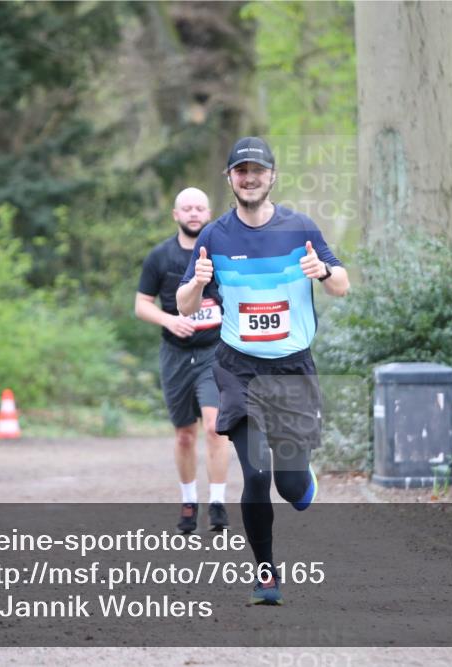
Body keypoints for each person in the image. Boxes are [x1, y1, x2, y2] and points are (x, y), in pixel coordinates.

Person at [176, 137, 349, 605]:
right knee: (255, 475)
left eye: (258, 171)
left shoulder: (300, 229)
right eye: (240, 171)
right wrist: (197, 282)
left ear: (272, 176)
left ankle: (300, 477)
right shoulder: (215, 235)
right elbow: (183, 303)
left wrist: (323, 272)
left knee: (291, 486)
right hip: (239, 370)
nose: (249, 178)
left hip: (292, 369)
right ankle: (267, 574)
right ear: (229, 179)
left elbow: (342, 286)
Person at [136, 187, 232, 533]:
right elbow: (142, 304)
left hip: (214, 353)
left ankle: (218, 504)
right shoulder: (160, 257)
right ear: (176, 215)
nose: (193, 213)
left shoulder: (223, 255)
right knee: (184, 436)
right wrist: (169, 319)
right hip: (175, 353)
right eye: (187, 208)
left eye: (200, 208)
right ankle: (190, 501)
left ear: (209, 214)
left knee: (214, 427)